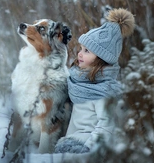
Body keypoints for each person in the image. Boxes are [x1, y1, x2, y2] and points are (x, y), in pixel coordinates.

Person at [55, 8, 135, 154]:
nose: (79, 53)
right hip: (70, 141)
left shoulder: (103, 91)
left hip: (84, 148)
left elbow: (106, 124)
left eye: (87, 51)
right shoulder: (77, 81)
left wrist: (89, 149)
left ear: (101, 59)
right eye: (81, 48)